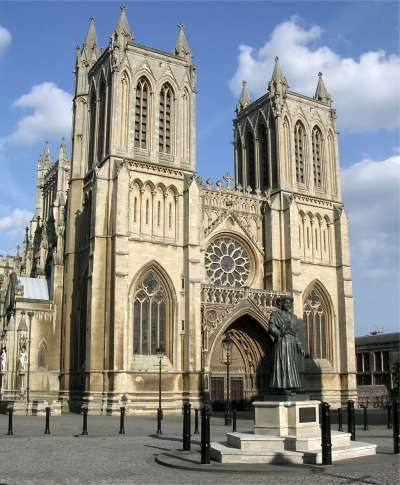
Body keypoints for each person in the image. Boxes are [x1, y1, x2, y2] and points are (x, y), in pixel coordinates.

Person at [268, 295, 305, 390]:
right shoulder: (276, 314)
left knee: (291, 364)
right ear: (281, 304)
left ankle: (291, 385)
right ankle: (281, 386)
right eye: (286, 302)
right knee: (282, 364)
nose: (288, 305)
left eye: (290, 303)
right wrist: (279, 333)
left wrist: (299, 347)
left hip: (292, 343)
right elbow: (271, 327)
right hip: (282, 342)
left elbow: (295, 334)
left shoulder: (294, 317)